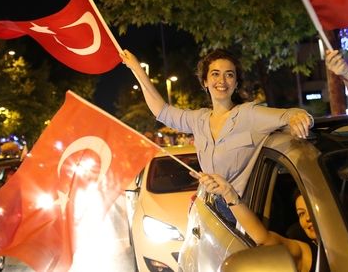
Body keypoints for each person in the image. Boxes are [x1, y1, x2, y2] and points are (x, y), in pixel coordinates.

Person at [122, 49, 313, 217]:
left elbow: (291, 114)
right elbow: (161, 111)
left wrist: (299, 117)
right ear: (205, 81)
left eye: (229, 75)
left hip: (242, 212)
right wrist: (137, 69)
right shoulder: (198, 120)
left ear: (236, 82)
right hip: (210, 207)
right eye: (215, 74)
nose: (222, 81)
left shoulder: (249, 114)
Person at [197, 172, 316, 272]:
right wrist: (228, 193)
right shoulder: (307, 252)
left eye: (311, 210)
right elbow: (264, 238)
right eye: (301, 213)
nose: (307, 218)